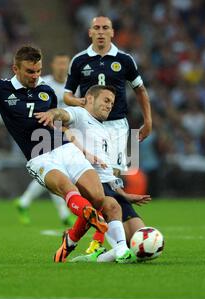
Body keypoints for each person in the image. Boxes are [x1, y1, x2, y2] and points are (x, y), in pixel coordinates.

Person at [0, 45, 123, 263]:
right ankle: (97, 229)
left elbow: (60, 125)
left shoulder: (45, 91)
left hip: (65, 148)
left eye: (38, 71)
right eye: (30, 71)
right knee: (69, 189)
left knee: (96, 197)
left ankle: (71, 239)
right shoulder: (0, 89)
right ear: (15, 69)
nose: (35, 76)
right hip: (39, 157)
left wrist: (82, 149)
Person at [63, 16, 153, 253]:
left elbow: (140, 90)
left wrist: (148, 120)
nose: (101, 32)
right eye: (96, 28)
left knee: (110, 177)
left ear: (112, 33)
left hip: (117, 127)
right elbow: (67, 95)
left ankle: (99, 236)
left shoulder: (124, 59)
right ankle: (102, 237)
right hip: (89, 125)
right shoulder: (80, 60)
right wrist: (81, 103)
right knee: (99, 180)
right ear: (90, 32)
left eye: (105, 28)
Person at [36, 84, 149, 263]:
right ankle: (117, 251)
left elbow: (108, 174)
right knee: (112, 207)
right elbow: (63, 116)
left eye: (111, 103)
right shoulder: (80, 114)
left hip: (110, 186)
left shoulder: (103, 130)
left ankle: (96, 253)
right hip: (89, 181)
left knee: (139, 242)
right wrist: (53, 113)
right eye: (105, 100)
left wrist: (124, 194)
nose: (109, 105)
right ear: (89, 99)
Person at [14, 53, 75, 226]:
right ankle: (63, 214)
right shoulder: (43, 84)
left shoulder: (73, 87)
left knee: (53, 173)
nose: (62, 66)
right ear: (53, 65)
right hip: (45, 134)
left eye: (65, 63)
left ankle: (25, 201)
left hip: (66, 133)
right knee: (55, 172)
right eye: (59, 63)